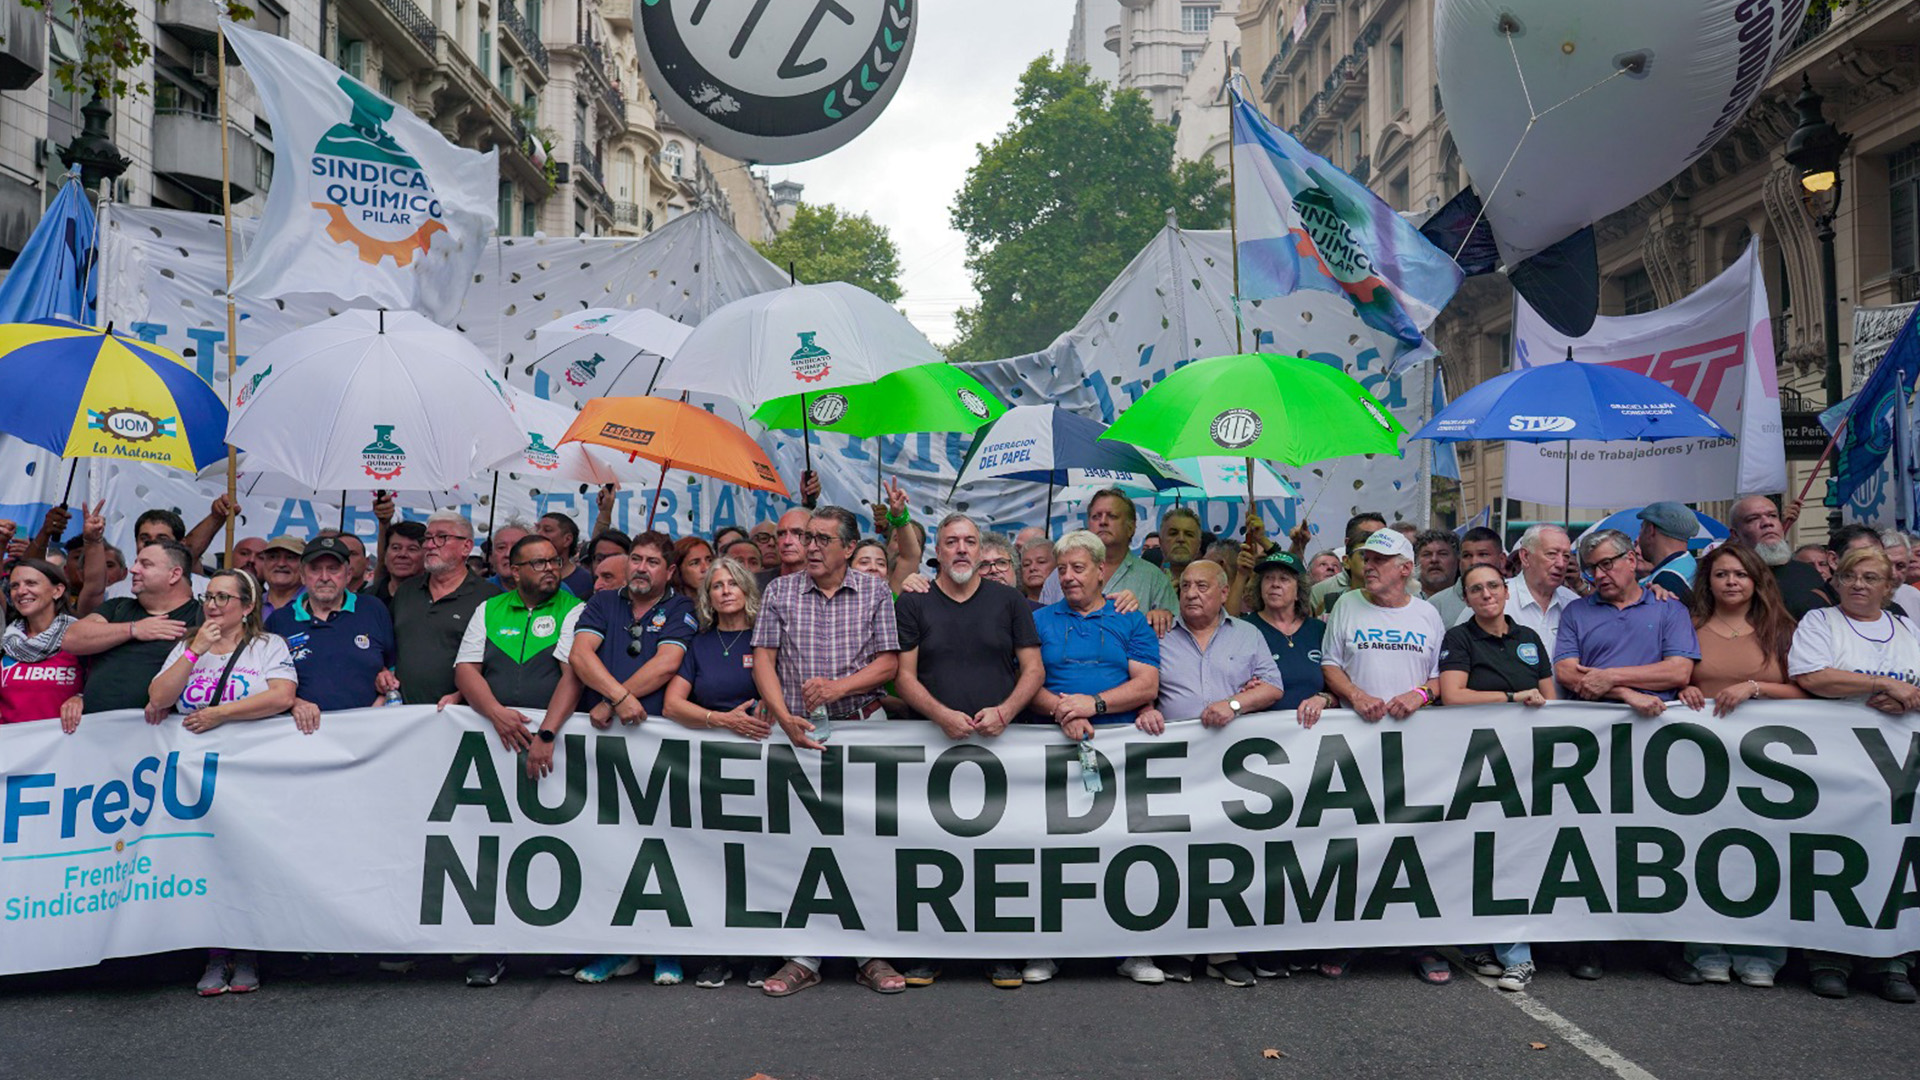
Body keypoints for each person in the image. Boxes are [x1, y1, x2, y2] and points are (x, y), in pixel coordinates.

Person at [752, 505, 904, 998]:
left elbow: (888, 665)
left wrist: (839, 688)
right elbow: (764, 664)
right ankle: (804, 956)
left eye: (821, 539)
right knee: (800, 846)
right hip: (798, 733)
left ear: (848, 549)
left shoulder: (877, 590)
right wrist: (783, 716)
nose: (810, 547)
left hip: (862, 730)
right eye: (806, 538)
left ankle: (869, 953)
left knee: (867, 845)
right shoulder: (779, 590)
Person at [893, 514, 1044, 990]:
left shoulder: (1010, 601)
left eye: (970, 542)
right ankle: (927, 952)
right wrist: (940, 715)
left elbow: (1033, 670)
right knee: (930, 852)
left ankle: (999, 952)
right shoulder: (916, 601)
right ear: (937, 548)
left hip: (1002, 747)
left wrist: (1005, 711)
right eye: (952, 541)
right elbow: (902, 676)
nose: (961, 549)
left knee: (999, 854)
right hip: (931, 746)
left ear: (982, 552)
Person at [1551, 527, 1699, 981]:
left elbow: (1678, 668)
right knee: (1591, 840)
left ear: (1633, 558)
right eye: (1592, 567)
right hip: (1594, 745)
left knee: (1657, 841)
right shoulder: (1577, 611)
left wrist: (1612, 679)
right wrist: (1630, 694)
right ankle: (1586, 943)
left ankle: (1661, 944)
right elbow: (1568, 672)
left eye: (1608, 563)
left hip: (1657, 746)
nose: (1600, 574)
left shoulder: (1667, 609)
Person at [1305, 526, 1450, 985]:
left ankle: (1422, 941)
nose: (1367, 566)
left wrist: (1419, 696)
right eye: (1365, 559)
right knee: (1356, 841)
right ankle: (1349, 938)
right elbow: (1330, 664)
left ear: (1405, 570)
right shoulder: (1347, 605)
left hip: (1413, 745)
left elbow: (1444, 675)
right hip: (1357, 742)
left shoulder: (1427, 615)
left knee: (1414, 841)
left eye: (1379, 560)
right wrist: (1356, 693)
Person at [147, 567, 296, 998]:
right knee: (206, 861)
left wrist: (221, 714)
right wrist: (195, 651)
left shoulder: (267, 645)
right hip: (197, 775)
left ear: (248, 607)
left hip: (251, 770)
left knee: (246, 859)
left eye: (223, 598)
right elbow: (158, 698)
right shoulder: (187, 645)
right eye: (208, 596)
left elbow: (281, 695)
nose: (212, 605)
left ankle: (248, 951)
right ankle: (216, 953)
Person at [1660, 543, 1804, 988]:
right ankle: (1705, 945)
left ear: (1756, 579)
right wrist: (1683, 690)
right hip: (1704, 764)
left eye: (1740, 574)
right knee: (1705, 852)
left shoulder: (1782, 628)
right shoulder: (1690, 626)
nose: (1731, 582)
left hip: (1770, 764)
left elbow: (1807, 691)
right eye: (1722, 574)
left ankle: (1762, 950)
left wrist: (1754, 687)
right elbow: (1676, 675)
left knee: (1766, 854)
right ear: (1709, 581)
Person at [560, 530, 697, 987]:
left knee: (664, 848)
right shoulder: (602, 603)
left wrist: (610, 701)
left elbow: (667, 663)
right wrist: (616, 696)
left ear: (670, 571)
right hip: (605, 743)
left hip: (657, 743)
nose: (641, 568)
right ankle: (615, 949)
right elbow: (581, 656)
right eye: (636, 559)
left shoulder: (680, 608)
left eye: (653, 562)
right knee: (609, 845)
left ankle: (665, 949)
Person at [1139, 559, 1283, 989]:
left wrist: (1235, 705)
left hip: (1231, 767)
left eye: (1202, 585)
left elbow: (1272, 686)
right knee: (1177, 854)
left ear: (1224, 592)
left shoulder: (1248, 633)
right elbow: (1139, 683)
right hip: (1174, 764)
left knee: (1226, 855)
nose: (1191, 593)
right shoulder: (1157, 632)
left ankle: (1222, 951)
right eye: (1184, 585)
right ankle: (1180, 948)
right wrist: (1144, 708)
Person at [1787, 543, 1920, 1003]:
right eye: (1849, 577)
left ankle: (1891, 961)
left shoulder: (1905, 629)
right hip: (1835, 764)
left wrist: (1911, 696)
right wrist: (1882, 684)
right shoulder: (1820, 623)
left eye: (1870, 579)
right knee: (1832, 859)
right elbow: (1814, 676)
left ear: (1889, 587)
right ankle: (1828, 959)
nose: (1858, 586)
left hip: (1895, 773)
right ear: (1836, 581)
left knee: (1890, 860)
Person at [1029, 528, 1163, 984]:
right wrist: (1064, 709)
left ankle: (1134, 949)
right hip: (1053, 749)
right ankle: (1049, 948)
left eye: (1078, 568)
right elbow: (1027, 682)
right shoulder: (1040, 620)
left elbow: (1147, 685)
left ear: (1102, 571)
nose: (1068, 577)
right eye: (1062, 569)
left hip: (1119, 752)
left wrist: (1095, 704)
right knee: (1055, 851)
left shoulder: (1130, 620)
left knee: (1125, 850)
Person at [451, 533, 584, 989]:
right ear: (514, 568)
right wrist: (494, 714)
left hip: (554, 745)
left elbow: (574, 675)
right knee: (495, 845)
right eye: (538, 563)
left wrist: (546, 731)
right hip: (494, 743)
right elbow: (466, 668)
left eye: (555, 561)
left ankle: (561, 941)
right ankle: (493, 948)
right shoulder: (489, 609)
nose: (550, 569)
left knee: (557, 843)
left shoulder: (575, 608)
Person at [659, 555, 775, 991]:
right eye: (716, 585)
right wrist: (724, 720)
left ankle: (763, 953)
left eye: (733, 583)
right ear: (706, 597)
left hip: (762, 767)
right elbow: (673, 705)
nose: (725, 590)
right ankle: (717, 954)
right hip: (710, 771)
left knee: (759, 860)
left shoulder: (768, 638)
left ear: (747, 589)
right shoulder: (699, 643)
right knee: (713, 859)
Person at [1437, 564, 1555, 993]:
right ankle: (1479, 946)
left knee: (1514, 857)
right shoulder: (1460, 639)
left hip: (1524, 766)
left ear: (1506, 592)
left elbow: (1551, 699)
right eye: (1475, 589)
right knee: (1476, 854)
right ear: (1465, 599)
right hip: (1474, 765)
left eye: (1492, 586)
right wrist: (1510, 697)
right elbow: (1453, 696)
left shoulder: (1529, 639)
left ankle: (1516, 955)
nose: (1486, 594)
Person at [59, 540, 203, 720]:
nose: (134, 569)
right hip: (94, 731)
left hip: (158, 736)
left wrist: (171, 701)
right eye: (136, 562)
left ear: (174, 575)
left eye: (146, 564)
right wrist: (134, 629)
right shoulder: (118, 607)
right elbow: (71, 639)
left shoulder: (201, 617)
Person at [265, 536, 399, 729]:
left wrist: (384, 692)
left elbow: (392, 665)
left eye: (333, 569)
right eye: (315, 569)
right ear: (302, 575)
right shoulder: (280, 620)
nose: (325, 577)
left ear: (348, 574)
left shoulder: (373, 609)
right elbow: (264, 682)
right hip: (300, 733)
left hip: (368, 730)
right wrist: (294, 703)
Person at [390, 512, 501, 706]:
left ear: (466, 547)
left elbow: (498, 663)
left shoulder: (489, 597)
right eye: (428, 538)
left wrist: (463, 693)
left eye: (442, 538)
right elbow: (388, 648)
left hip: (459, 716)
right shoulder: (407, 591)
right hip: (403, 716)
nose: (430, 545)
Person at [1037, 489, 1176, 632]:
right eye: (1096, 517)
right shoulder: (1059, 576)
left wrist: (1164, 615)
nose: (1103, 522)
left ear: (1131, 527)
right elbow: (1041, 629)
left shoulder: (1154, 578)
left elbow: (1175, 633)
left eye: (1112, 516)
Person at [1469, 525, 1581, 655]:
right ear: (1525, 557)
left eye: (1566, 556)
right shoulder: (1491, 598)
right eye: (1551, 554)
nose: (1561, 564)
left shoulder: (1573, 604)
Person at [1240, 551, 1326, 710]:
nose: (1275, 584)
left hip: (1315, 731)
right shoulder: (1243, 630)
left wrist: (1324, 699)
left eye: (1284, 579)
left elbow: (1336, 684)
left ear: (1299, 591)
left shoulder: (1319, 630)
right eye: (1268, 578)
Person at [1, 559, 81, 728]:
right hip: (10, 749)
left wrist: (82, 698)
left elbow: (106, 686)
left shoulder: (80, 638)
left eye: (31, 583)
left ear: (57, 591)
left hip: (66, 748)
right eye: (15, 586)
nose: (21, 591)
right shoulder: (5, 642)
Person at [1728, 496, 1830, 618]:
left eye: (1772, 516)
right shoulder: (1730, 580)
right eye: (1753, 519)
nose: (1767, 523)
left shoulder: (1808, 573)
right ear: (1735, 534)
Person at [1308, 512, 1388, 613]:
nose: (1376, 542)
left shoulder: (1403, 590)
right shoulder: (1321, 592)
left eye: (1383, 538)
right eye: (1364, 554)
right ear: (1346, 561)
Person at [1635, 502, 1698, 604]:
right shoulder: (1690, 564)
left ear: (1651, 530)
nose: (1639, 536)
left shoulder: (1666, 581)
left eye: (1641, 528)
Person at [535, 511, 592, 597]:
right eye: (537, 529)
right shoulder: (528, 576)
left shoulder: (585, 580)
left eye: (547, 530)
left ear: (567, 540)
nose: (539, 534)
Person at [1415, 529, 1465, 623]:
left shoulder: (1470, 600)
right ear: (1416, 561)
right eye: (1427, 555)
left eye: (1443, 554)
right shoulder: (1401, 598)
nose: (1434, 560)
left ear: (1458, 560)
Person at [368, 520, 427, 601]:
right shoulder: (367, 599)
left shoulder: (436, 598)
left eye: (412, 549)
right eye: (396, 548)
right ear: (385, 554)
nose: (402, 554)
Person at [757, 507, 811, 588]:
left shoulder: (829, 582)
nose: (787, 541)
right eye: (781, 534)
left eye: (796, 533)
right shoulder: (755, 583)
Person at [254, 536, 306, 620]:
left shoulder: (316, 603)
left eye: (290, 557)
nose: (281, 564)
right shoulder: (252, 605)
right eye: (273, 557)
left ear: (305, 565)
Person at [1879, 531, 1920, 618]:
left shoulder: (1914, 596)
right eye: (1887, 564)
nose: (1893, 574)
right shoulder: (1859, 597)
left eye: (1900, 566)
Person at [1159, 507, 1204, 580]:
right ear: (1160, 542)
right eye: (1173, 533)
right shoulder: (1146, 583)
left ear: (1199, 544)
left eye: (1189, 534)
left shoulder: (1213, 584)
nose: (1181, 539)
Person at [486, 522, 528, 589]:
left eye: (516, 547)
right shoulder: (478, 592)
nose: (508, 554)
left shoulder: (546, 591)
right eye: (501, 547)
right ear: (492, 555)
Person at [1017, 533, 1054, 606]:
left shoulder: (1072, 604)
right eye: (1026, 564)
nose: (1032, 568)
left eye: (1041, 562)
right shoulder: (1015, 607)